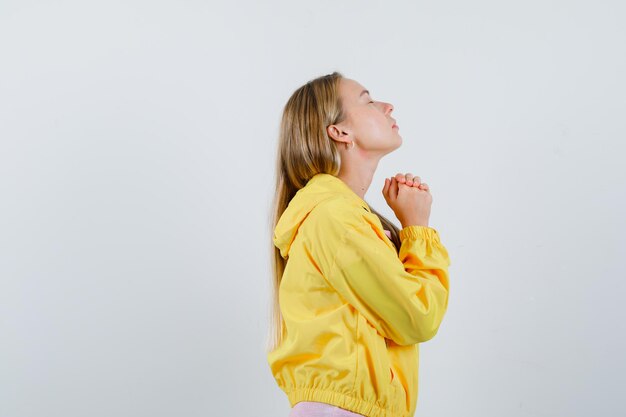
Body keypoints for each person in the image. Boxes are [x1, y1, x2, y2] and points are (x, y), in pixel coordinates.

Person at [266, 71, 451, 417]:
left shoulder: (342, 216)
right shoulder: (335, 218)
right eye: (367, 100)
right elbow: (418, 317)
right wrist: (417, 230)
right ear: (340, 131)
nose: (387, 106)